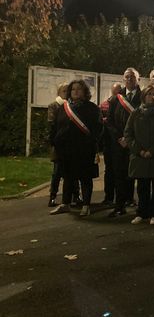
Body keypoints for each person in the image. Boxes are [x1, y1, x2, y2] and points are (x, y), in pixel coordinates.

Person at [49, 80, 102, 216]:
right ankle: (65, 204)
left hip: (84, 150)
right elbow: (56, 126)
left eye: (79, 89)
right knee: (68, 177)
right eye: (73, 89)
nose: (76, 91)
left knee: (85, 178)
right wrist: (55, 142)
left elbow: (98, 128)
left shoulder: (92, 108)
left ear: (85, 92)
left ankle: (86, 205)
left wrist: (91, 143)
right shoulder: (64, 108)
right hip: (66, 150)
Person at [125, 85, 154, 225]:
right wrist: (139, 151)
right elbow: (128, 134)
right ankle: (142, 213)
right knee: (142, 188)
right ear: (143, 96)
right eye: (149, 94)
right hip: (140, 157)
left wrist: (152, 150)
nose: (152, 96)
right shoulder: (136, 113)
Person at [106, 68, 142, 217]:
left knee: (138, 176)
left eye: (132, 77)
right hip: (120, 144)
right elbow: (109, 121)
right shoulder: (116, 99)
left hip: (137, 143)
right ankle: (119, 205)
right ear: (123, 80)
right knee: (120, 175)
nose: (129, 79)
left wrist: (132, 139)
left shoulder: (143, 97)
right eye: (126, 77)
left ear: (138, 79)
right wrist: (120, 138)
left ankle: (139, 206)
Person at [47, 82, 81, 207]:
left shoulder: (74, 105)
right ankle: (53, 195)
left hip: (72, 146)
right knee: (57, 172)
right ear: (59, 92)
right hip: (60, 144)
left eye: (69, 90)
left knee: (73, 171)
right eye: (64, 91)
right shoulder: (54, 106)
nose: (67, 93)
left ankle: (76, 195)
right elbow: (52, 124)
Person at [99, 82, 122, 204]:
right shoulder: (104, 105)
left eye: (119, 90)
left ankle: (122, 198)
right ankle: (109, 196)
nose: (117, 93)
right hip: (108, 142)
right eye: (116, 91)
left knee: (120, 172)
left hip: (119, 142)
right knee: (109, 171)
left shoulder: (123, 103)